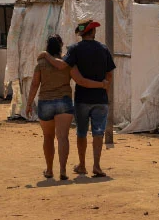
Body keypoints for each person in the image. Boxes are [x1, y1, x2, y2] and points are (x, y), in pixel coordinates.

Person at [40, 19, 115, 177]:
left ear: (81, 33)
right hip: (101, 98)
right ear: (93, 31)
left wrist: (45, 55)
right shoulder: (104, 49)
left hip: (82, 99)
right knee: (98, 132)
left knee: (82, 132)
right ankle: (96, 165)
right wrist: (104, 88)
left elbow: (62, 66)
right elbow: (109, 74)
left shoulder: (74, 49)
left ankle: (82, 165)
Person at [26, 34, 107, 180]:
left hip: (45, 102)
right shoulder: (67, 63)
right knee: (63, 137)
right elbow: (80, 80)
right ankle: (63, 170)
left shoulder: (41, 64)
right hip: (64, 102)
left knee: (48, 137)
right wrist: (101, 84)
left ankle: (49, 170)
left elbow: (34, 84)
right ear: (61, 46)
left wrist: (28, 103)